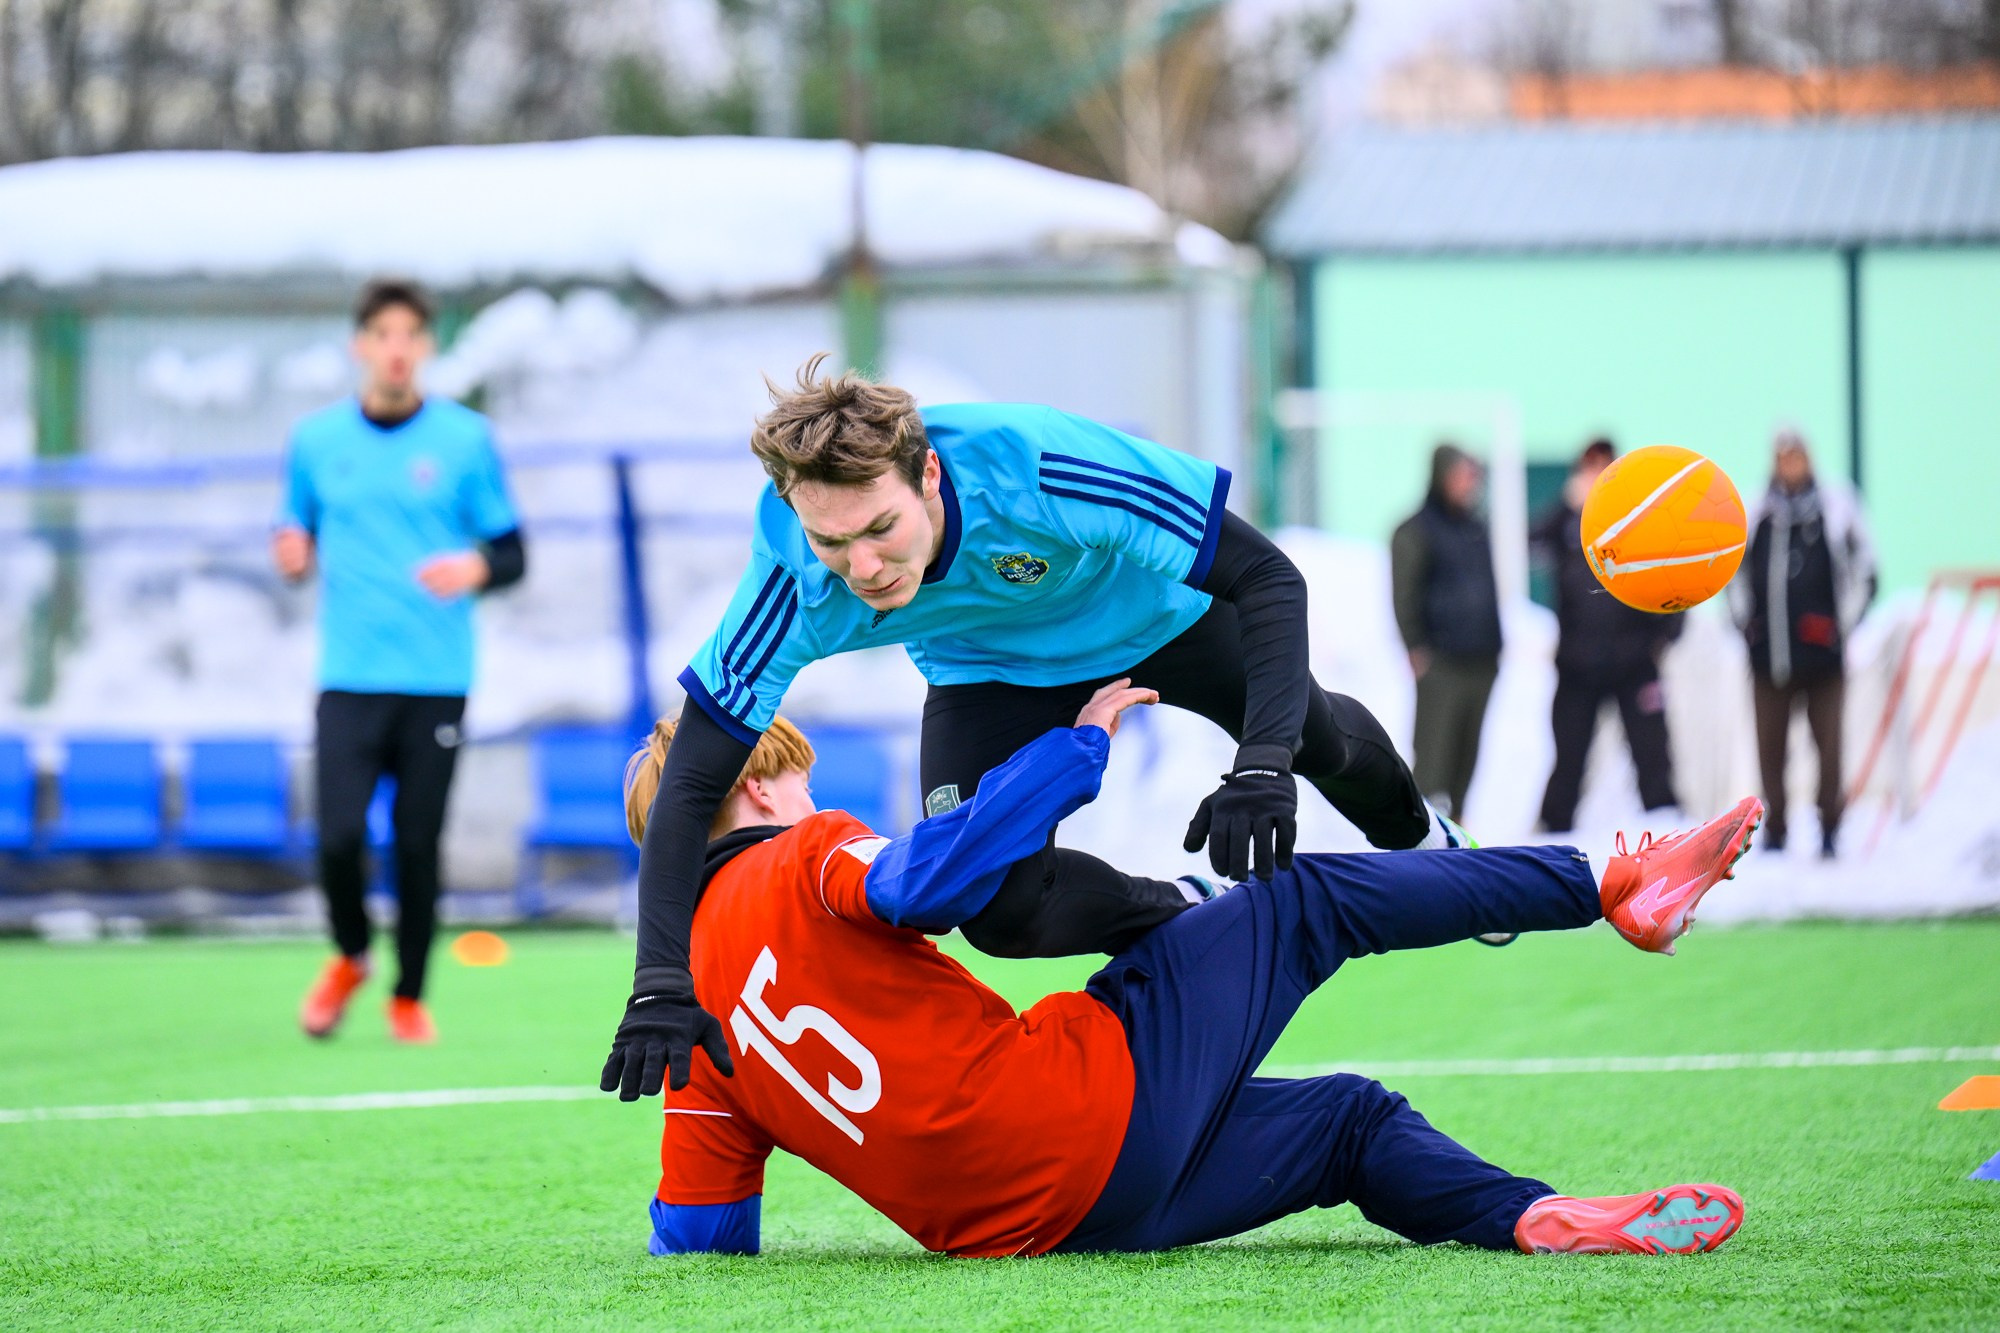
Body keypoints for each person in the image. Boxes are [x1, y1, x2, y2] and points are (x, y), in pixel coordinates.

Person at [618, 680, 1760, 1260]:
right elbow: (921, 880)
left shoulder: (685, 1020)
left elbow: (700, 1234)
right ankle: (1606, 885)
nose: (807, 793)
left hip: (1048, 1229)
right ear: (763, 785)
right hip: (1080, 1110)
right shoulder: (804, 852)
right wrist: (1076, 749)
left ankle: (1534, 1217)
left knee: (1350, 1124)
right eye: (797, 776)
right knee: (1304, 899)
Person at [603, 356, 1471, 1103]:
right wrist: (658, 982)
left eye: (880, 529)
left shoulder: (1041, 464)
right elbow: (689, 782)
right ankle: (1189, 906)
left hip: (1162, 625)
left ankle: (1424, 834)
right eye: (834, 541)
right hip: (988, 677)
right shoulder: (795, 573)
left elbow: (1270, 578)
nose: (862, 568)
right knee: (992, 904)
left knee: (1314, 736)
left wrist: (1264, 765)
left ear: (930, 477)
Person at [276, 278, 527, 1043]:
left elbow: (513, 552)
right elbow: (298, 534)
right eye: (381, 334)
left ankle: (408, 995)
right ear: (361, 345)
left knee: (417, 843)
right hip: (348, 675)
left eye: (410, 335)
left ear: (426, 348)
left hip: (435, 681)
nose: (395, 349)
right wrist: (292, 554)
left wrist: (474, 568)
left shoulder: (464, 439)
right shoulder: (315, 442)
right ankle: (351, 955)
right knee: (338, 837)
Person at [1730, 428, 1877, 858]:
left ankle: (1830, 826)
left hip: (1823, 660)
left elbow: (1865, 570)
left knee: (1829, 749)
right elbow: (1732, 572)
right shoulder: (1755, 510)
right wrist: (1746, 625)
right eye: (1783, 456)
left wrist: (1840, 628)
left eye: (1797, 456)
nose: (1790, 464)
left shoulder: (1837, 507)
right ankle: (1775, 830)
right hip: (1767, 658)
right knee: (1770, 750)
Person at [1531, 439, 1684, 833]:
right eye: (1590, 465)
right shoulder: (1568, 521)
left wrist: (1667, 630)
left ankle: (1667, 828)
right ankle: (1554, 833)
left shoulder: (1639, 517)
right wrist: (1570, 507)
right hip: (1578, 662)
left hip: (1634, 659)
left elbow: (1672, 567)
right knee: (1569, 756)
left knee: (1653, 755)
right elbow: (1530, 543)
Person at [1390, 443, 1503, 825]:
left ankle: (1458, 828)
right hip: (1442, 664)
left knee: (1467, 756)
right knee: (1433, 755)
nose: (1469, 484)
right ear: (1442, 476)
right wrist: (1415, 645)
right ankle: (1417, 832)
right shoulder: (1415, 530)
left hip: (1482, 661)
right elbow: (1404, 592)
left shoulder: (1475, 528)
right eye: (1462, 475)